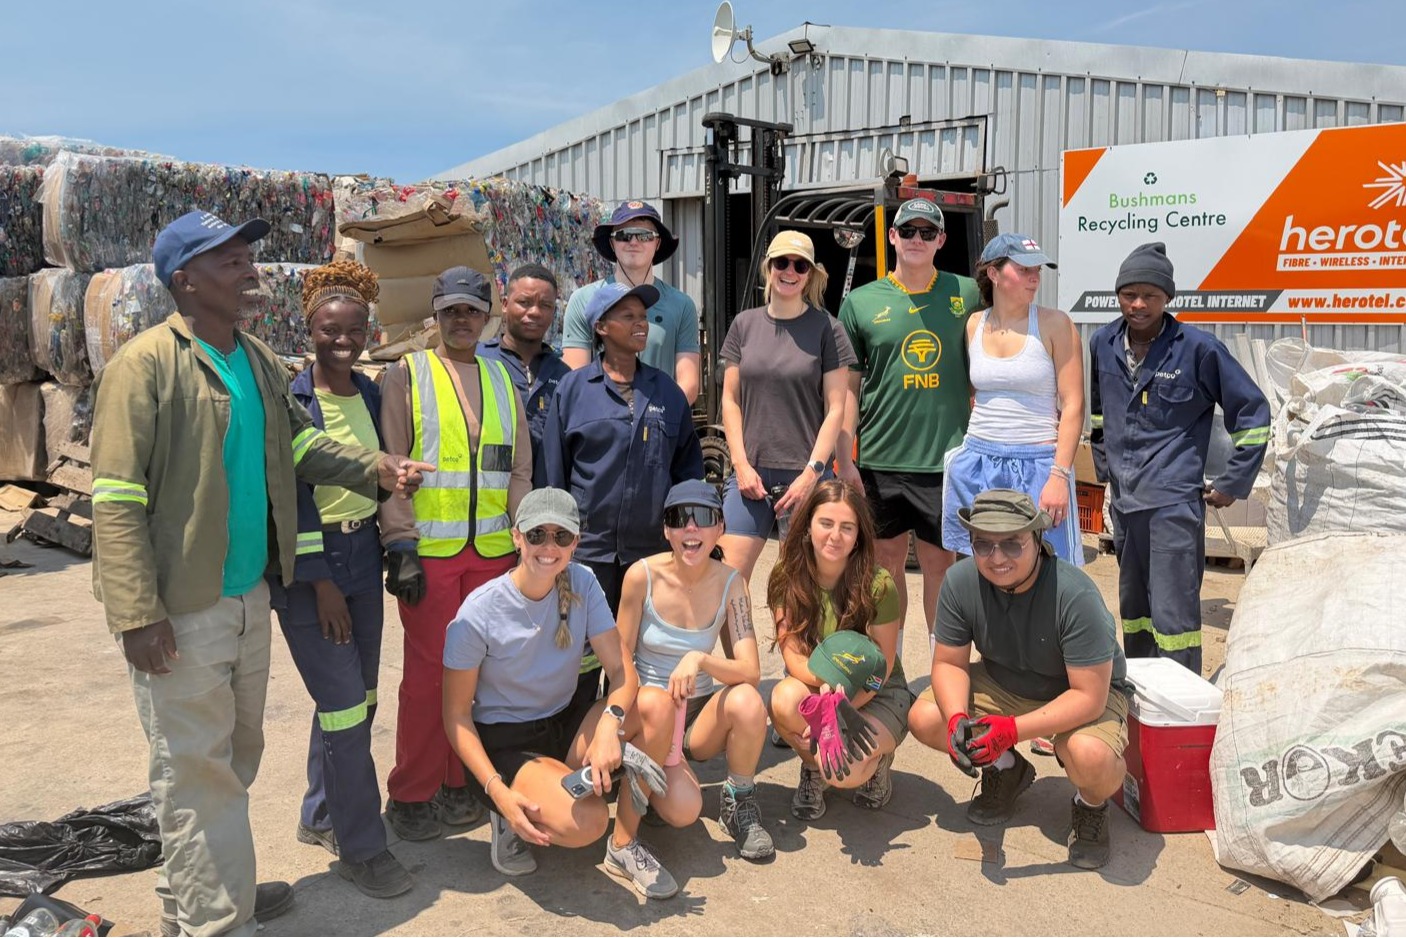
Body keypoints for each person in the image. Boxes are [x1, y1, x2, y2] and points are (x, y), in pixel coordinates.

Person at [90, 211, 430, 936]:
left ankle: (214, 890)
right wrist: (135, 612)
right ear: (185, 281)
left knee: (233, 762)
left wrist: (377, 468)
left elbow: (303, 447)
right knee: (194, 773)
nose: (250, 271)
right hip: (182, 608)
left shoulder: (258, 362)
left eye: (249, 257)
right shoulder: (145, 364)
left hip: (248, 594)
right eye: (230, 260)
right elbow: (116, 499)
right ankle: (218, 922)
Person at [442, 488, 678, 899]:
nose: (548, 547)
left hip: (563, 721)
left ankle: (623, 845)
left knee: (656, 705)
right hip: (506, 740)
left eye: (561, 537)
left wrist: (611, 724)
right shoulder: (478, 612)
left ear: (576, 543)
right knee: (586, 823)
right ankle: (509, 812)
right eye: (537, 535)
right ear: (517, 537)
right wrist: (497, 791)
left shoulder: (582, 582)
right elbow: (456, 717)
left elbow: (623, 672)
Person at [269, 260, 412, 898]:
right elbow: (292, 493)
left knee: (354, 701)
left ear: (369, 333)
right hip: (312, 569)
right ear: (310, 331)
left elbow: (377, 477)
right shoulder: (293, 401)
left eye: (354, 330)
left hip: (364, 557)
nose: (343, 341)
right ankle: (362, 847)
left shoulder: (375, 393)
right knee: (346, 709)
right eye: (331, 330)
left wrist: (396, 541)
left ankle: (321, 813)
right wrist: (320, 579)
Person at [379, 265, 533, 841]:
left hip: (492, 555)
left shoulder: (502, 379)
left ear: (486, 315)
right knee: (426, 678)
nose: (462, 321)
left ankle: (455, 784)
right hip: (433, 556)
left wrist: (524, 541)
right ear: (435, 315)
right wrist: (400, 546)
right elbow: (393, 464)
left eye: (472, 311)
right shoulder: (407, 374)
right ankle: (410, 792)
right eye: (451, 312)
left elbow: (518, 469)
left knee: (477, 678)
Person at [907, 489, 1133, 870]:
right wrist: (958, 720)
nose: (996, 559)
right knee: (927, 717)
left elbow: (1089, 697)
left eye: (1012, 544)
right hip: (1004, 682)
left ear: (1037, 538)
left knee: (1090, 757)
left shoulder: (1074, 594)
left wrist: (1011, 730)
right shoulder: (960, 582)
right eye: (983, 544)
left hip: (1076, 691)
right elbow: (948, 664)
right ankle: (1007, 770)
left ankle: (1090, 806)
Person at [1089, 243, 1270, 674]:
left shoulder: (1197, 349)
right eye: (1129, 293)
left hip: (1173, 505)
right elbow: (1098, 414)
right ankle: (1142, 694)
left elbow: (1253, 412)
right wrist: (1104, 470)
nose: (1137, 304)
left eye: (1149, 295)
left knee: (1174, 619)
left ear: (1167, 298)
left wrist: (1232, 481)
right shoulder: (1102, 343)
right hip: (1126, 505)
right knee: (1133, 610)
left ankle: (1181, 706)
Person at [837, 197, 981, 650]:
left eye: (927, 232)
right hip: (882, 457)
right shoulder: (861, 302)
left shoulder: (967, 293)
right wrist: (845, 458)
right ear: (892, 236)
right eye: (908, 230)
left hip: (945, 460)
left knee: (943, 565)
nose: (917, 239)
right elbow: (847, 389)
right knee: (884, 562)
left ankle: (944, 663)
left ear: (941, 239)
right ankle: (889, 661)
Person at [615, 480, 775, 861]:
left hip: (698, 716)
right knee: (684, 811)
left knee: (748, 701)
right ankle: (647, 769)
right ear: (666, 530)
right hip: (652, 713)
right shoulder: (642, 577)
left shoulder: (731, 583)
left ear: (720, 528)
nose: (690, 527)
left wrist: (700, 659)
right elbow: (619, 660)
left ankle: (739, 801)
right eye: (678, 518)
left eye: (702, 517)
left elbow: (750, 671)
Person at [543, 281, 705, 614]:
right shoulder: (572, 391)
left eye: (643, 316)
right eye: (628, 316)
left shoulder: (668, 394)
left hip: (651, 555)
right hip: (586, 553)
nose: (641, 323)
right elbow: (552, 476)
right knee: (584, 658)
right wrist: (555, 543)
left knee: (641, 659)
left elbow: (688, 473)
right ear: (601, 327)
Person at [767, 480, 913, 818]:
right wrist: (826, 701)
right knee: (782, 700)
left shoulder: (878, 584)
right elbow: (791, 653)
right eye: (826, 523)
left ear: (859, 535)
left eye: (847, 527)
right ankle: (812, 768)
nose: (835, 535)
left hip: (878, 693)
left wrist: (841, 708)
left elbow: (883, 669)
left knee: (843, 772)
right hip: (820, 685)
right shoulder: (785, 575)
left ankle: (876, 763)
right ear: (807, 526)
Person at [717, 230, 854, 584]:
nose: (789, 271)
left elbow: (835, 409)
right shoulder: (743, 325)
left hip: (805, 475)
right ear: (769, 268)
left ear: (810, 274)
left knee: (800, 588)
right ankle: (744, 644)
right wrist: (741, 465)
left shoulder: (828, 329)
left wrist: (812, 474)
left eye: (800, 265)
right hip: (752, 476)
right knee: (725, 583)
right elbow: (730, 400)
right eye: (782, 263)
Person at [942, 233, 1084, 566]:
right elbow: (972, 393)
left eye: (1038, 270)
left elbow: (1074, 404)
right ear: (993, 273)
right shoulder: (974, 324)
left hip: (1038, 462)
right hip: (978, 459)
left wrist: (1059, 475)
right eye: (1023, 269)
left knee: (1049, 565)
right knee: (980, 563)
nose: (1034, 277)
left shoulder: (1055, 324)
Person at [561, 201, 701, 404]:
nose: (634, 242)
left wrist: (657, 417)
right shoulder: (583, 301)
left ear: (658, 243)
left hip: (661, 423)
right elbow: (575, 378)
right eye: (623, 235)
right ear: (612, 243)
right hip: (600, 424)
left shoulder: (681, 305)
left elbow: (688, 383)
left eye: (644, 236)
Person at [478, 263, 572, 487]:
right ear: (504, 304)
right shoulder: (479, 361)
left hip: (544, 503)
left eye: (545, 305)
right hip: (488, 495)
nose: (535, 312)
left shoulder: (564, 376)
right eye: (524, 302)